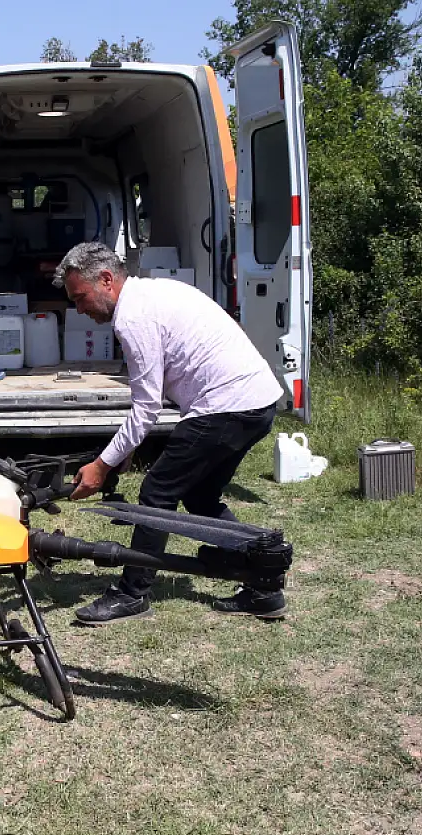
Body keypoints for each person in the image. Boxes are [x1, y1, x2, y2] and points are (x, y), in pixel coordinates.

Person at [55, 242, 286, 624]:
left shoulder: (133, 317)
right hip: (255, 403)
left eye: (81, 298)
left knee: (156, 493)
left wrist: (101, 464)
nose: (80, 310)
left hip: (228, 405)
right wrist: (125, 448)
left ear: (107, 280)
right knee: (198, 493)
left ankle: (132, 592)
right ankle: (264, 582)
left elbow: (146, 408)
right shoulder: (152, 293)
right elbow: (154, 395)